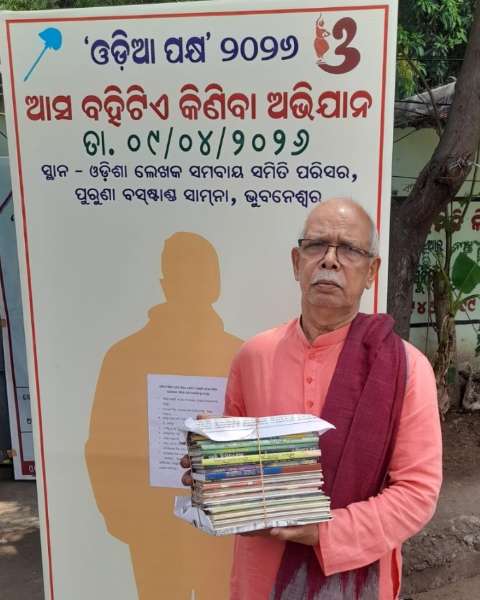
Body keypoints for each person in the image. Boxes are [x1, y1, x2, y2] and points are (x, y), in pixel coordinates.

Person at [182, 198, 442, 600]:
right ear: (296, 262)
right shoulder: (254, 355)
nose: (330, 260)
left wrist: (326, 531)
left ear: (371, 271)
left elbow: (416, 493)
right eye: (317, 245)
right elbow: (240, 477)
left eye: (349, 249)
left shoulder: (405, 367)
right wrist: (212, 470)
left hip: (356, 579)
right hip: (261, 577)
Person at [86, 232, 243, 600]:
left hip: (222, 527)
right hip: (151, 528)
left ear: (216, 284)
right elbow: (101, 445)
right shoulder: (125, 357)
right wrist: (121, 518)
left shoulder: (241, 355)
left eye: (201, 275)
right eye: (182, 275)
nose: (192, 286)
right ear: (164, 284)